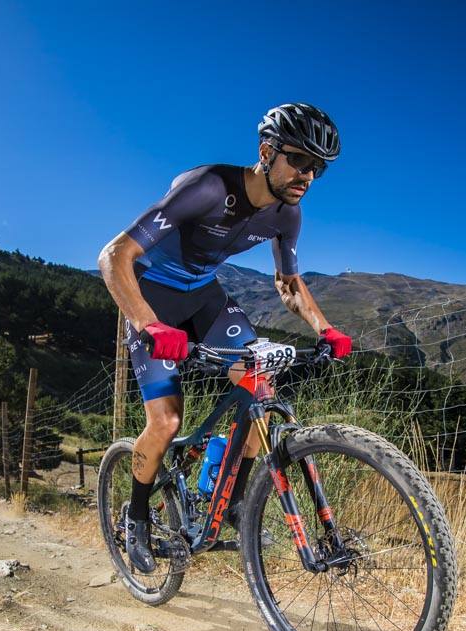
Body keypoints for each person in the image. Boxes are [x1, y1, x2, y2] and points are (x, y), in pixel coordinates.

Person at [98, 102, 353, 574]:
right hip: (152, 296)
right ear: (266, 152)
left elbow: (288, 283)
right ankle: (137, 517)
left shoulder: (287, 215)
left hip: (205, 296)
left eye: (317, 168)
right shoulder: (208, 187)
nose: (307, 175)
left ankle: (232, 503)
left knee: (261, 387)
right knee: (166, 422)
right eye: (299, 160)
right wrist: (149, 325)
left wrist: (326, 329)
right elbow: (115, 256)